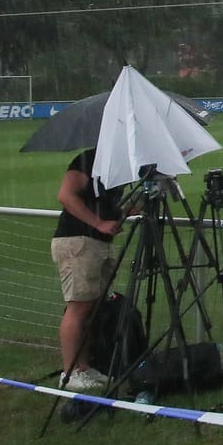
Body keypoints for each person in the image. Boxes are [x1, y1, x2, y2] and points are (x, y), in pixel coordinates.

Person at [51, 147, 125, 390]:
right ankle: (71, 372)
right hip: (78, 241)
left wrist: (121, 214)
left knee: (93, 307)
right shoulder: (89, 158)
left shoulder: (119, 162)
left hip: (98, 243)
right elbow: (66, 195)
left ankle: (85, 367)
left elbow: (103, 204)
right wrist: (99, 223)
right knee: (79, 307)